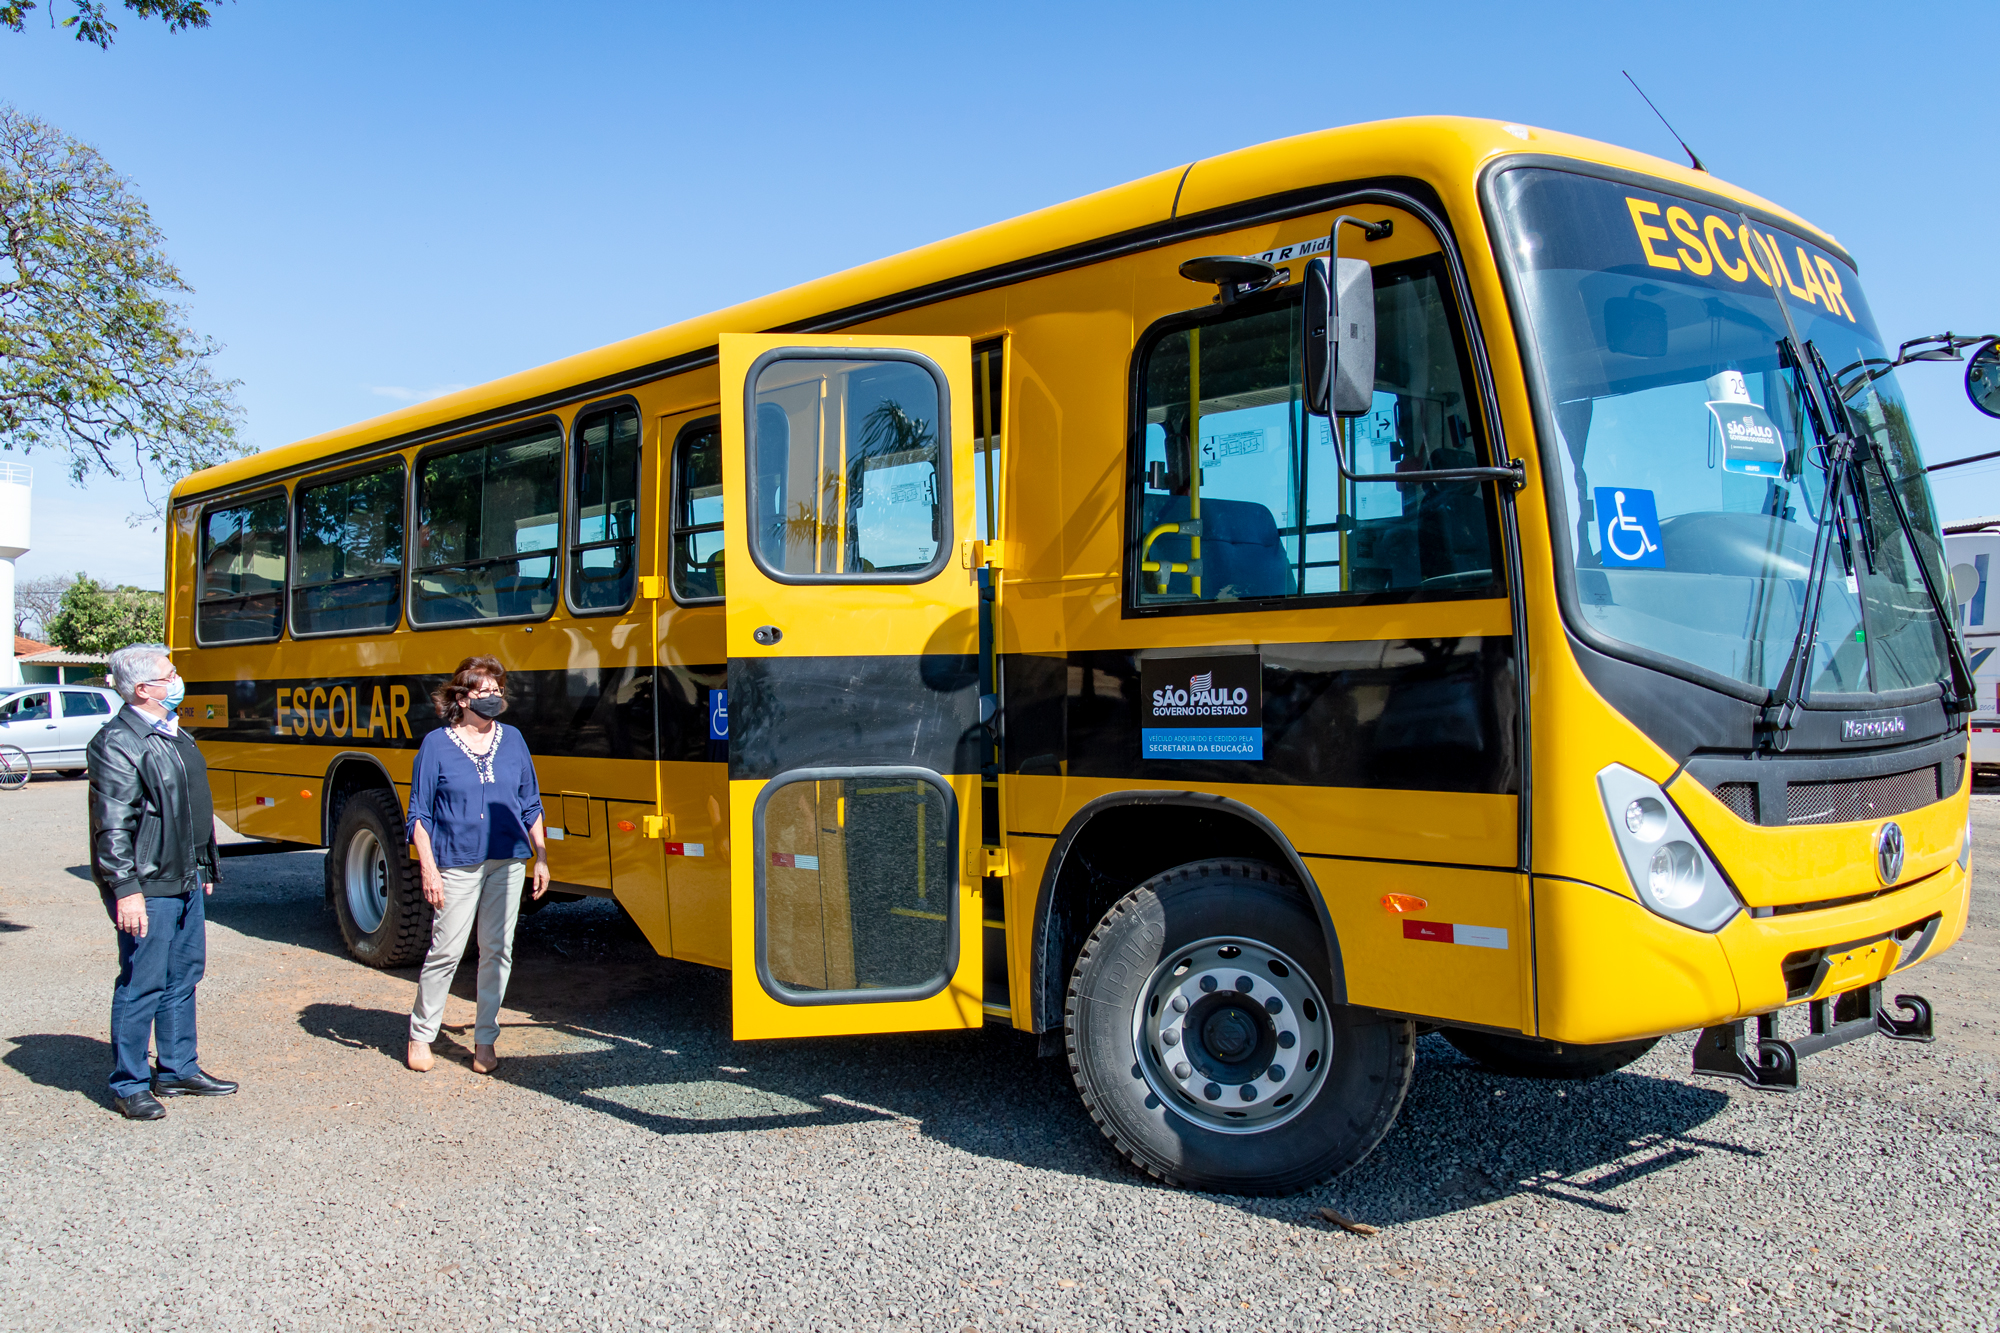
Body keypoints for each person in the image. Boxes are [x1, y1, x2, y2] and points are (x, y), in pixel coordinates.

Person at [87, 643, 237, 1120]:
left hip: (186, 876)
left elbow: (193, 808)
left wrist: (205, 866)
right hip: (148, 885)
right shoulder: (117, 742)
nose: (177, 680)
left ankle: (176, 1067)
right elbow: (112, 826)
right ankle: (129, 1082)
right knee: (143, 982)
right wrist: (125, 889)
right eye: (169, 674)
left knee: (184, 975)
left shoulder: (172, 734)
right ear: (143, 689)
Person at [406, 655, 550, 1074]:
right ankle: (421, 1034)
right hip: (455, 863)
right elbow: (419, 815)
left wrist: (540, 856)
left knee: (498, 951)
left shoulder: (514, 740)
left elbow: (530, 803)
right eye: (484, 691)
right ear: (463, 697)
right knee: (446, 950)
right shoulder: (436, 745)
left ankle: (485, 1038)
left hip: (507, 861)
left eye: (497, 691)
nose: (493, 698)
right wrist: (428, 868)